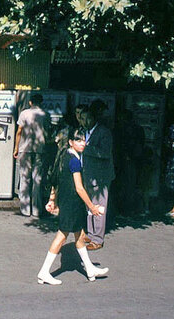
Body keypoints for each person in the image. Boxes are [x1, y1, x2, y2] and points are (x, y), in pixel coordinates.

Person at [38, 128, 109, 285]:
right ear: (71, 142)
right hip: (72, 202)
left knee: (80, 235)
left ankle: (90, 269)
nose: (82, 143)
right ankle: (44, 272)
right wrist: (92, 207)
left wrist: (52, 199)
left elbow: (56, 180)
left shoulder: (65, 155)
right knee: (62, 236)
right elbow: (79, 188)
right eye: (78, 140)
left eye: (83, 140)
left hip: (68, 201)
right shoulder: (75, 161)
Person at [80, 106, 114, 250]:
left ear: (94, 118)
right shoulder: (84, 132)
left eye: (87, 118)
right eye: (82, 118)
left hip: (99, 176)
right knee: (89, 206)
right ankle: (91, 233)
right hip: (87, 174)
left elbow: (105, 153)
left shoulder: (103, 132)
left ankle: (98, 239)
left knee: (99, 206)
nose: (84, 121)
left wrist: (86, 148)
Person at [13, 93, 51, 217]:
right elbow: (48, 132)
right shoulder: (46, 115)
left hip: (25, 149)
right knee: (37, 179)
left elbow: (19, 131)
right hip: (41, 149)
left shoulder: (24, 113)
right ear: (41, 102)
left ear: (30, 102)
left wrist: (16, 147)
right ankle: (36, 209)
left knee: (25, 178)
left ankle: (25, 209)